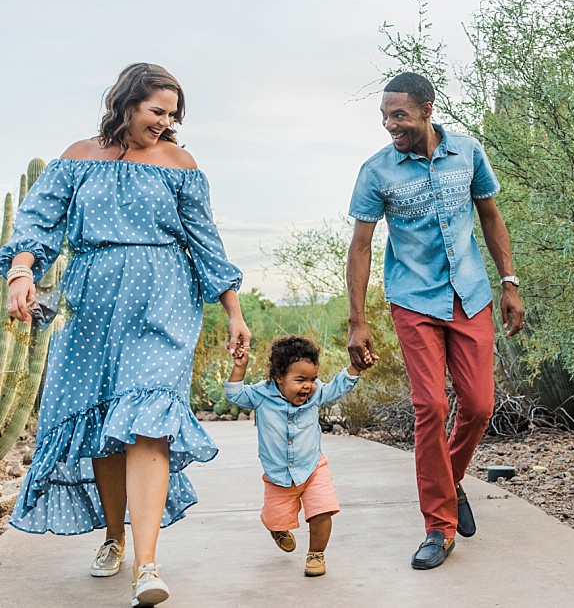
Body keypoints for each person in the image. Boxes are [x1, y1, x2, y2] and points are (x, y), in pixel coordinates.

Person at [1, 62, 249, 608]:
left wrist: (234, 313)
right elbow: (38, 222)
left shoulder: (180, 165)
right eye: (156, 111)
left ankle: (147, 565)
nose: (164, 123)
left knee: (149, 423)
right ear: (127, 103)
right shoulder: (77, 157)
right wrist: (22, 270)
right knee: (103, 422)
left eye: (172, 115)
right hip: (92, 304)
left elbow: (207, 245)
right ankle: (114, 536)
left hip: (164, 302)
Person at [344, 72, 525, 570]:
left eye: (398, 115)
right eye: (384, 116)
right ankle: (438, 527)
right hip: (413, 300)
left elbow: (490, 215)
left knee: (479, 405)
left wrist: (510, 282)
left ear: (427, 108)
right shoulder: (376, 171)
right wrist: (357, 321)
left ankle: (449, 479)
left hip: (470, 295)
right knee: (429, 406)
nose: (389, 125)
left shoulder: (467, 152)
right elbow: (360, 246)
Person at [224, 335, 365, 578]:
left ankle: (316, 554)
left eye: (312, 379)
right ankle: (277, 528)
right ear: (279, 377)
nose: (308, 386)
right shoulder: (261, 395)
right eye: (300, 380)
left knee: (322, 510)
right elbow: (235, 395)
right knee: (277, 519)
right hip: (279, 475)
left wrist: (356, 367)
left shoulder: (316, 393)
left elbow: (336, 387)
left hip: (312, 468)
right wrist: (240, 368)